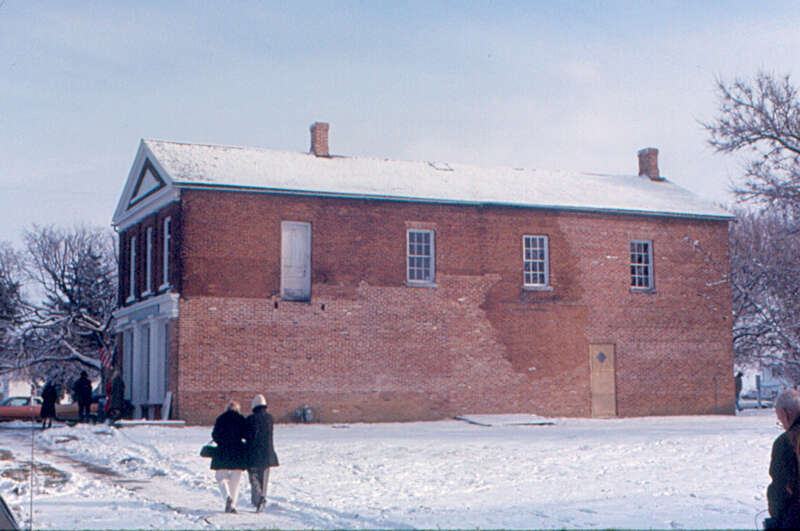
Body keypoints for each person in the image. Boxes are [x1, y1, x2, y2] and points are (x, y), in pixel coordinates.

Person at [765, 389, 800, 529]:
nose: (783, 426)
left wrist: (777, 518)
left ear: (786, 414)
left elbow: (780, 487)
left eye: (780, 421)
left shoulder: (787, 442)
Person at [211, 400, 248, 513]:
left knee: (220, 477)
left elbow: (215, 435)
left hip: (222, 452)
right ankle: (233, 505)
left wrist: (221, 441)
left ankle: (227, 497)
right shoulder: (241, 419)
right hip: (237, 453)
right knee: (235, 481)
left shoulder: (220, 418)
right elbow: (245, 435)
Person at [245, 394, 279, 512]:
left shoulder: (250, 419)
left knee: (253, 478)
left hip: (253, 454)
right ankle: (262, 497)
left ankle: (258, 498)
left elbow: (246, 435)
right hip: (268, 454)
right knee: (264, 479)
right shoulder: (270, 418)